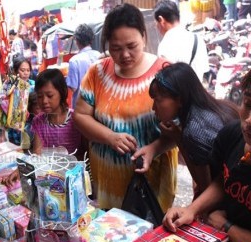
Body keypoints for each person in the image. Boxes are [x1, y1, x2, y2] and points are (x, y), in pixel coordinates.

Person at [73, 3, 178, 211]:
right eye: (116, 48)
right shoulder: (97, 72)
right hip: (107, 181)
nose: (125, 55)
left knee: (150, 234)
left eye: (132, 46)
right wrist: (109, 137)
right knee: (111, 235)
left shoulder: (165, 72)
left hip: (153, 181)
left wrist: (154, 148)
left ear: (144, 37)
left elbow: (180, 127)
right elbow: (80, 116)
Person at [163, 68, 251, 242]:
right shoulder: (232, 135)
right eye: (248, 104)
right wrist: (191, 210)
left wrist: (227, 227)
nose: (250, 120)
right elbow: (224, 180)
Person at [133, 62, 239, 198]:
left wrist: (178, 138)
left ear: (180, 100)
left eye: (158, 100)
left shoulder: (194, 131)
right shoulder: (222, 107)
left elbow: (204, 187)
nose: (154, 108)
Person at [31, 69, 86, 160]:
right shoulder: (38, 122)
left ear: (62, 92)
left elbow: (85, 153)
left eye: (50, 96)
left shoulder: (76, 119)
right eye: (40, 96)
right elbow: (37, 155)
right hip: (47, 172)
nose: (44, 101)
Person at [154, 0, 209, 82]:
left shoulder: (165, 45)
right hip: (197, 92)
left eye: (155, 23)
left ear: (161, 20)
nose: (156, 26)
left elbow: (166, 80)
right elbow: (204, 70)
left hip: (179, 94)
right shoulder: (197, 38)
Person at [66, 24, 101, 108]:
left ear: (77, 40)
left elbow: (73, 87)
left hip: (81, 107)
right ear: (91, 40)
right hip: (99, 103)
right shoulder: (99, 55)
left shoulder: (74, 61)